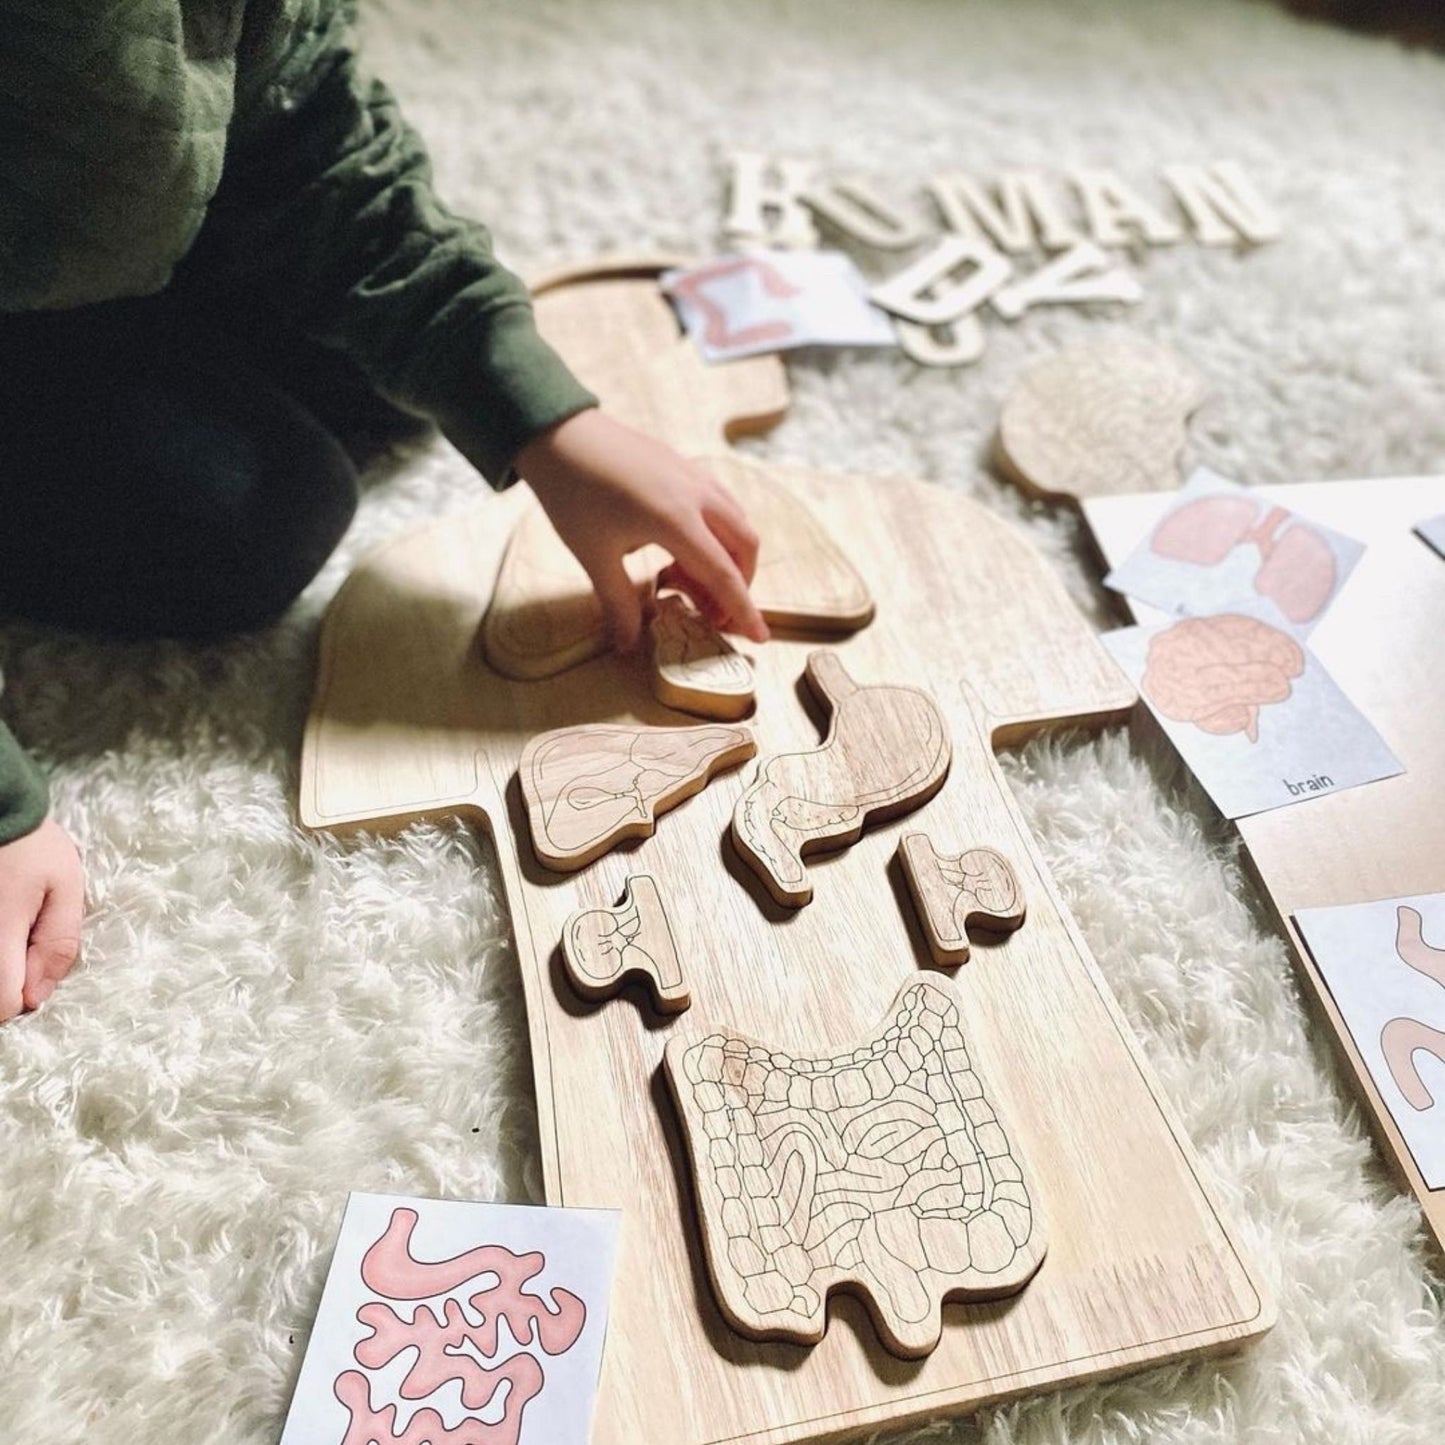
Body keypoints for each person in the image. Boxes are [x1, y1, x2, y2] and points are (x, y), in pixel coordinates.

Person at [0, 0, 769, 1022]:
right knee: (253, 523)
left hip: (88, 211)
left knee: (393, 370)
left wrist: (541, 417)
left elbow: (310, 121)